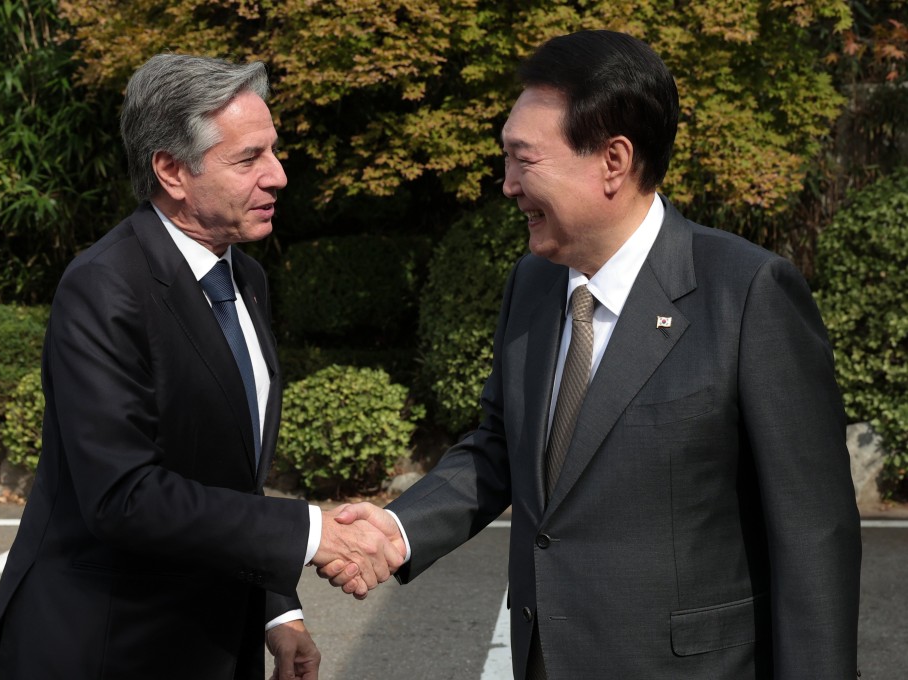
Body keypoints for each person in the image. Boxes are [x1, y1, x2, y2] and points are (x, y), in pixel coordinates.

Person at [324, 30, 862, 679]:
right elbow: (500, 445)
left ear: (613, 160)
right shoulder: (533, 282)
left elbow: (814, 537)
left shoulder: (746, 293)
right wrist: (396, 530)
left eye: (524, 160)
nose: (507, 185)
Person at [0, 54, 402, 680]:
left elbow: (228, 477)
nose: (278, 176)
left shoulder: (246, 278)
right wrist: (312, 533)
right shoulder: (104, 287)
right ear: (172, 171)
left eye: (274, 152)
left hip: (212, 640)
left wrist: (276, 614)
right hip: (104, 647)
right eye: (248, 158)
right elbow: (123, 495)